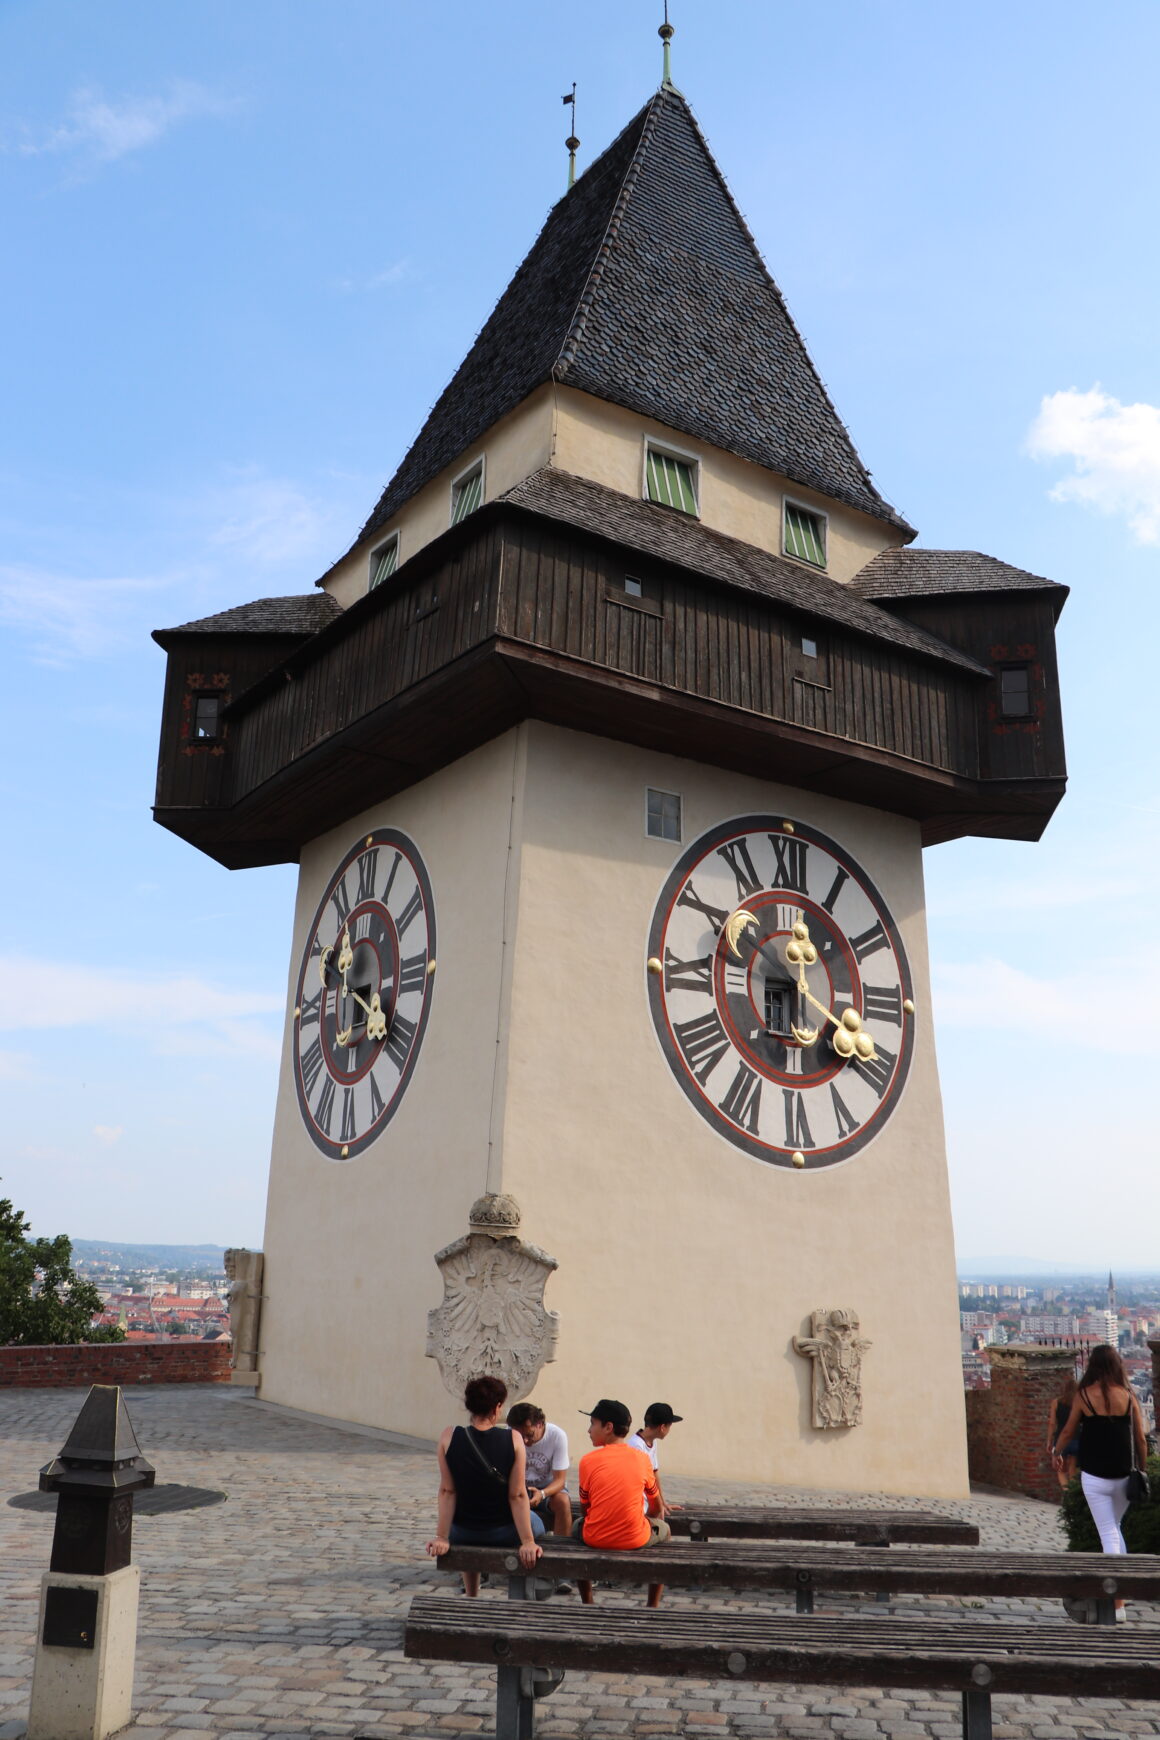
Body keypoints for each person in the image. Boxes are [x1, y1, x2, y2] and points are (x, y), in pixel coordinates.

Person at [426, 1373, 544, 1596]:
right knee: (538, 1521)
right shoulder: (513, 1439)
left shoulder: (449, 1436)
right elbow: (517, 1495)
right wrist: (527, 1541)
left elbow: (447, 1491)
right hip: (503, 1532)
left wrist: (442, 1536)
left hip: (462, 1532)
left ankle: (472, 1593)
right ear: (497, 1407)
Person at [1052, 1344, 1148, 1617]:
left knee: (1108, 1533)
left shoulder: (1084, 1395)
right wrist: (1142, 1469)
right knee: (1114, 1529)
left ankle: (1116, 1604)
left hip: (1094, 1474)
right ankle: (1123, 1593)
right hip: (1123, 1474)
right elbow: (1140, 1439)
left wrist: (1056, 1452)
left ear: (1092, 1366)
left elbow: (1068, 1430)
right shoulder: (1128, 1396)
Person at [575, 1399, 669, 1608]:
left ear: (608, 1427)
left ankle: (588, 1601)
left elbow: (585, 1509)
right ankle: (652, 1604)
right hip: (635, 1538)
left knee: (575, 1526)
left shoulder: (587, 1461)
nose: (589, 1430)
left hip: (595, 1538)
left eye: (592, 1424)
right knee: (666, 1530)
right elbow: (656, 1507)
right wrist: (647, 1519)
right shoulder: (642, 1459)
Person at [507, 1402, 573, 1535]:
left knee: (563, 1502)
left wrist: (542, 1494)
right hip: (519, 1488)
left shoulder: (557, 1435)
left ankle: (561, 1544)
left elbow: (560, 1480)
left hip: (548, 1490)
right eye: (520, 1436)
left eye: (529, 1434)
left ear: (540, 1424)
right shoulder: (508, 1434)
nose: (525, 1441)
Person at [628, 1402, 683, 1517]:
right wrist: (656, 1507)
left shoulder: (652, 1442)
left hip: (648, 1504)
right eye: (669, 1426)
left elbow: (654, 1472)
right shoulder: (636, 1445)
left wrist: (662, 1502)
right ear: (662, 1428)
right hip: (637, 1508)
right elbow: (639, 1482)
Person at [1045, 1375, 1079, 1491]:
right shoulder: (1078, 1403)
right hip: (1076, 1438)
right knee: (1072, 1470)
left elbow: (1052, 1423)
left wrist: (1049, 1441)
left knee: (1061, 1470)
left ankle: (1066, 1492)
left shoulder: (1056, 1402)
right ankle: (1073, 1493)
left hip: (1060, 1439)